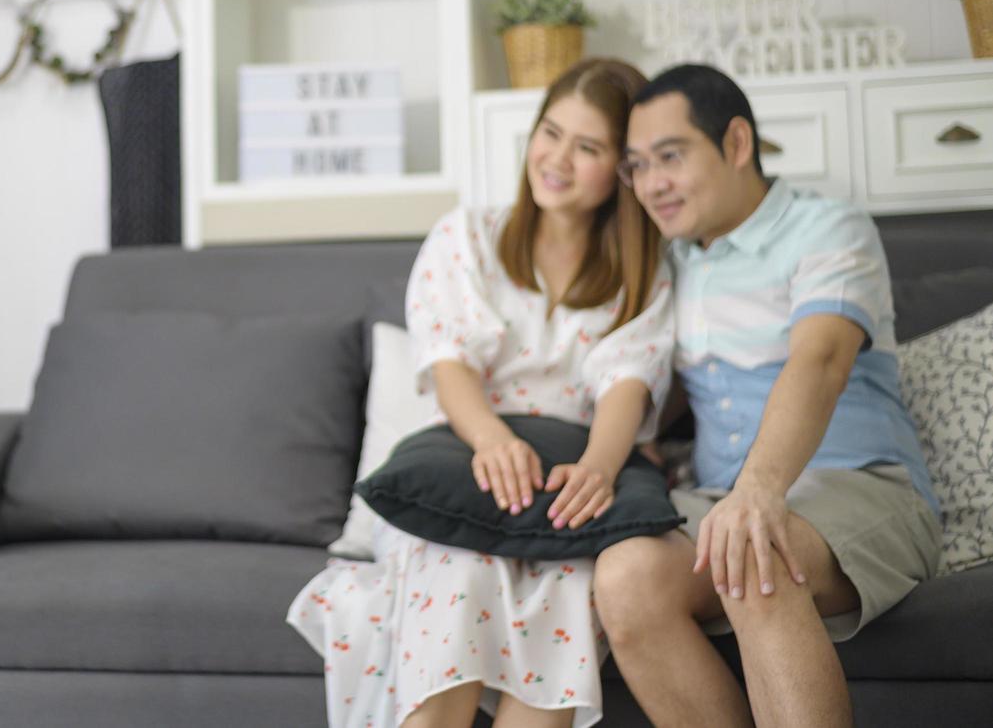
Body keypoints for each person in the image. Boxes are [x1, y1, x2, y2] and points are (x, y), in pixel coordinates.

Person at [288, 59, 674, 728]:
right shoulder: (468, 235)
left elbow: (626, 383)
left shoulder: (642, 271)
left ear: (620, 168)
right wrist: (492, 438)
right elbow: (449, 363)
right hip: (467, 461)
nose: (555, 159)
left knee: (566, 586)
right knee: (457, 574)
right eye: (548, 133)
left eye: (586, 148)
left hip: (567, 482)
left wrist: (597, 470)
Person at [596, 63, 940, 728]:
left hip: (863, 487)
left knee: (754, 552)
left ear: (735, 144)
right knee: (623, 577)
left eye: (670, 156)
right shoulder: (671, 263)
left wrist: (757, 493)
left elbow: (820, 360)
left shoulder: (829, 228)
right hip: (721, 503)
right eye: (636, 166)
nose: (651, 184)